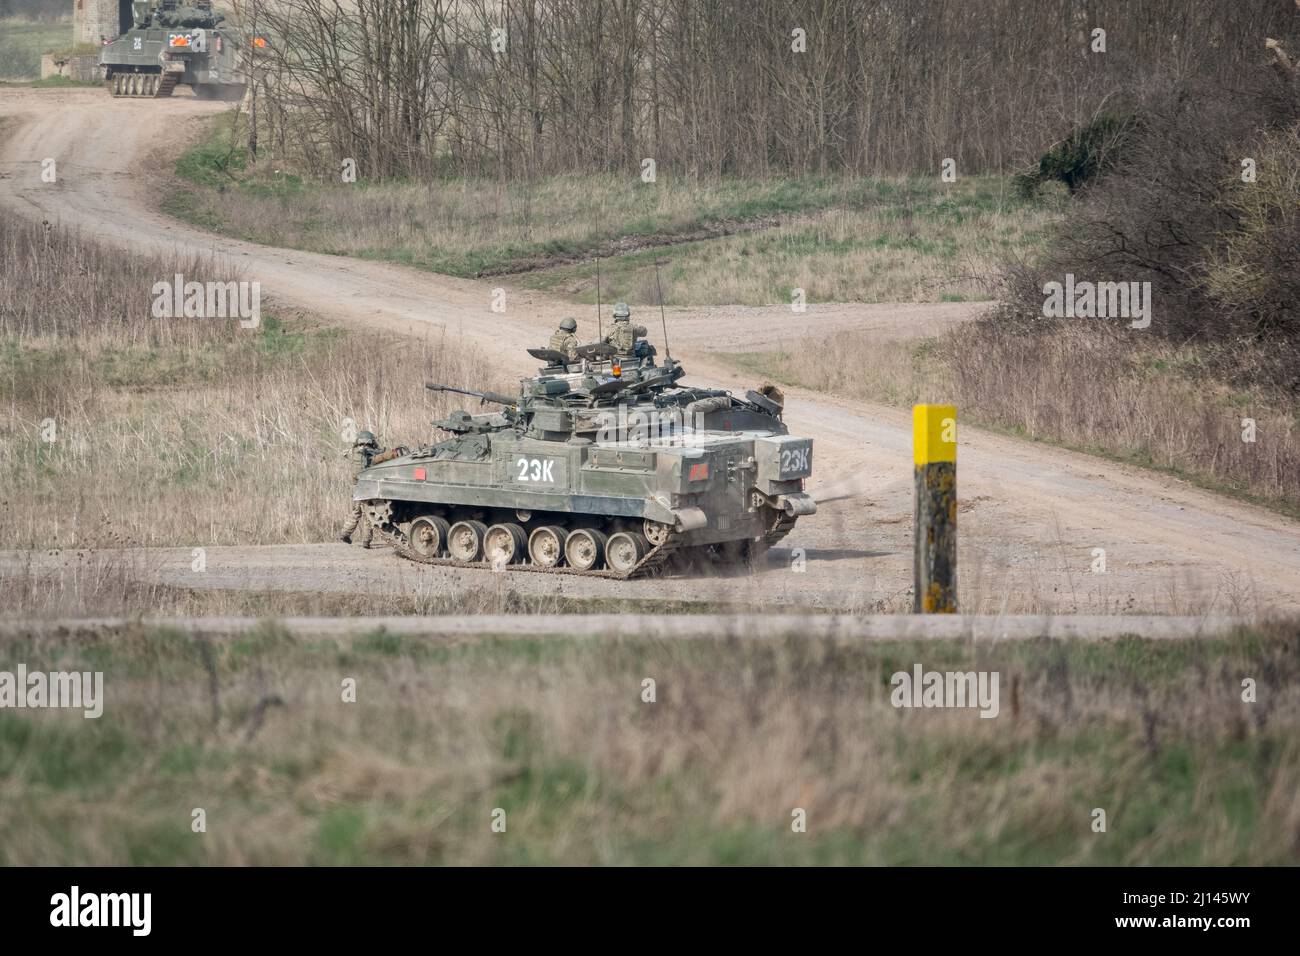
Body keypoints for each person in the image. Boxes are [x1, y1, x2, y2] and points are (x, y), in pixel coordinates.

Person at [339, 430, 406, 547]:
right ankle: (366, 540)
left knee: (356, 512)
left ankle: (345, 533)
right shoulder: (369, 456)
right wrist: (392, 453)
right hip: (365, 488)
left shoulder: (353, 453)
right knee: (367, 515)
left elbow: (346, 454)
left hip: (355, 488)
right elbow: (381, 457)